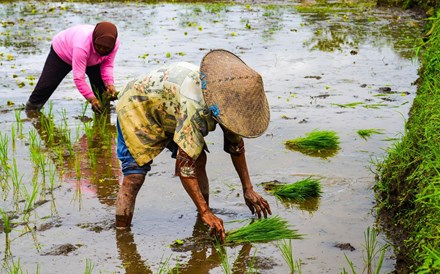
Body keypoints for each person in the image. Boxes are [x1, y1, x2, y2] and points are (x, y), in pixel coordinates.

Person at [115, 49, 272, 242]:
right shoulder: (196, 106)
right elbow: (184, 168)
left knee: (199, 158)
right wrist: (206, 211)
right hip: (139, 103)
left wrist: (248, 188)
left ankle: (203, 219)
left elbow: (236, 146)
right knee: (134, 176)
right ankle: (122, 235)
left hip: (171, 104)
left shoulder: (231, 103)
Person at [25, 21, 120, 113]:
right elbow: (79, 78)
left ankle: (103, 115)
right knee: (45, 87)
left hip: (93, 60)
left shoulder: (114, 44)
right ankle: (31, 111)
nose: (102, 50)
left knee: (102, 92)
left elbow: (107, 65)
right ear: (94, 39)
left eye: (106, 48)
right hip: (62, 53)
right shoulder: (82, 45)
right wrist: (92, 99)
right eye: (99, 46)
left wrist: (109, 84)